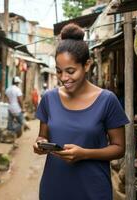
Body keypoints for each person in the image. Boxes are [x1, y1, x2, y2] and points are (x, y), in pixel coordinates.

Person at [33, 23, 129, 200]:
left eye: (70, 71)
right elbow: (42, 136)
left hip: (93, 190)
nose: (64, 78)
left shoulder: (107, 100)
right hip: (53, 188)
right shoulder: (49, 99)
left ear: (87, 65)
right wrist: (40, 144)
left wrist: (84, 154)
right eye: (59, 71)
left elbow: (119, 148)